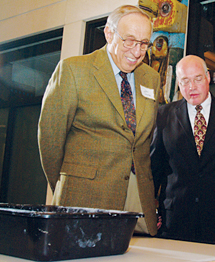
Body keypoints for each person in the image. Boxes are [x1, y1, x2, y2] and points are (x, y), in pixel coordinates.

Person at [38, 5, 160, 235]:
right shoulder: (74, 70)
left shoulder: (151, 78)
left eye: (144, 43)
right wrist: (67, 184)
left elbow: (143, 143)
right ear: (109, 34)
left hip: (137, 199)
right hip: (85, 196)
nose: (137, 51)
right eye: (130, 41)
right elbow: (50, 141)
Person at [150, 55, 215, 245]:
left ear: (208, 77)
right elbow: (154, 169)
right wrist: (149, 211)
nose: (192, 87)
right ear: (178, 84)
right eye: (185, 81)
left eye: (197, 79)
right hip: (175, 218)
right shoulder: (163, 115)